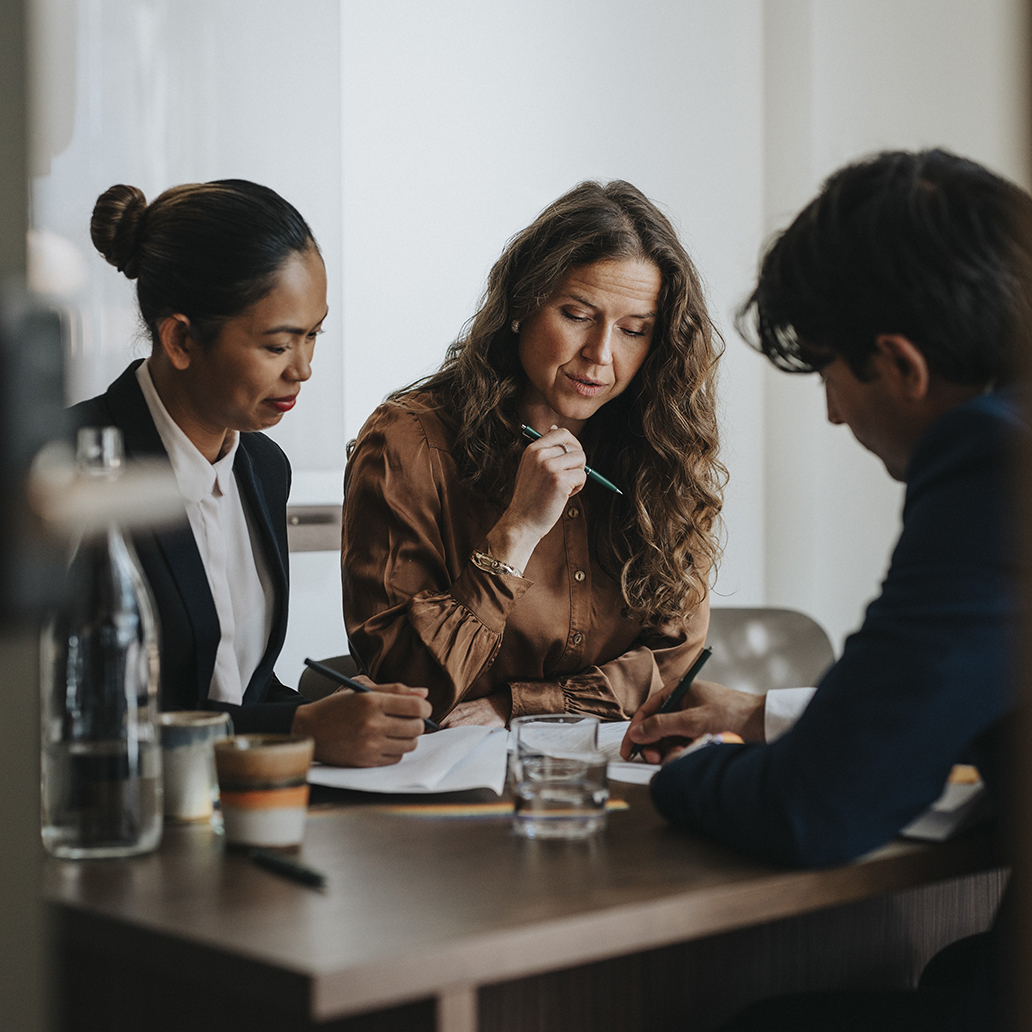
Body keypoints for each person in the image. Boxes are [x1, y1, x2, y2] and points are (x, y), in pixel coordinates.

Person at [621, 149, 1031, 1030]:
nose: (836, 414)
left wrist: (680, 779)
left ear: (899, 363)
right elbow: (965, 684)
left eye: (829, 376)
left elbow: (822, 808)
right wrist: (768, 716)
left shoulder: (993, 462)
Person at [342, 180, 724, 727]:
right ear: (522, 305)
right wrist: (517, 530)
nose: (600, 355)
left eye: (634, 330)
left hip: (608, 765)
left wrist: (516, 707)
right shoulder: (409, 443)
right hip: (445, 774)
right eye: (576, 315)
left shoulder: (662, 448)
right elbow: (404, 681)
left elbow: (673, 659)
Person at [74, 180, 431, 766]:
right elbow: (86, 718)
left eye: (314, 334)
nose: (305, 369)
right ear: (182, 338)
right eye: (278, 346)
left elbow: (243, 692)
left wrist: (349, 716)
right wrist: (300, 728)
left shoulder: (264, 468)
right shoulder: (77, 467)